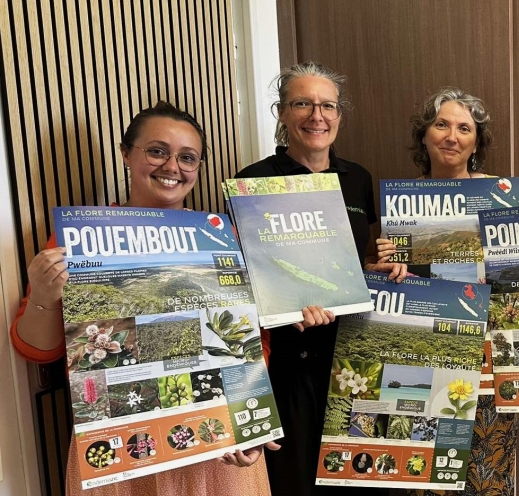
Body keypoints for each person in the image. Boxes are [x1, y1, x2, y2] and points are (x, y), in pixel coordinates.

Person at [8, 102, 272, 495]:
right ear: (126, 154)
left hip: (217, 444)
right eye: (157, 151)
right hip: (119, 447)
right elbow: (37, 351)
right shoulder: (78, 240)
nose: (172, 167)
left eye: (187, 158)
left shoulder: (225, 237)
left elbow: (254, 345)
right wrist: (45, 294)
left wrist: (251, 426)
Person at [233, 61, 404, 496]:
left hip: (352, 357)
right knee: (295, 482)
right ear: (282, 112)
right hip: (289, 362)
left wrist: (378, 269)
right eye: (303, 104)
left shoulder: (358, 179)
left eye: (327, 105)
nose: (317, 115)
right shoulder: (253, 182)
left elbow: (354, 263)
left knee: (356, 480)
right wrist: (284, 305)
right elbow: (240, 278)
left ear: (339, 116)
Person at [375, 87, 517, 496]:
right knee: (423, 469)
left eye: (464, 128)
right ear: (425, 135)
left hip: (484, 349)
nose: (451, 136)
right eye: (441, 125)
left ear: (476, 142)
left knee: (486, 469)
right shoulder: (403, 204)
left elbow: (518, 274)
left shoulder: (498, 197)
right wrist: (387, 266)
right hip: (423, 349)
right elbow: (392, 285)